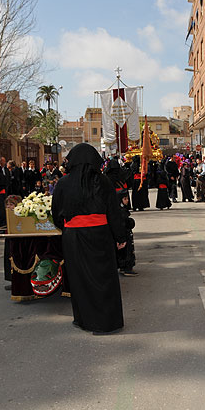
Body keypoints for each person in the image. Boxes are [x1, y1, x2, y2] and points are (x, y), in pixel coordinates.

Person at [52, 143, 126, 335]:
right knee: (104, 279)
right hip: (100, 234)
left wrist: (70, 228)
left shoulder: (63, 183)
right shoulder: (103, 182)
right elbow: (113, 212)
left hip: (73, 237)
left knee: (79, 280)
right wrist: (120, 236)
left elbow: (56, 215)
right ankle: (105, 323)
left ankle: (83, 319)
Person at [116, 190, 137, 276]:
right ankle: (125, 268)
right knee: (125, 252)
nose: (127, 200)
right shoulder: (119, 211)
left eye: (127, 198)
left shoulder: (122, 210)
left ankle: (127, 267)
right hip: (123, 235)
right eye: (125, 199)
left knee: (128, 250)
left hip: (126, 234)